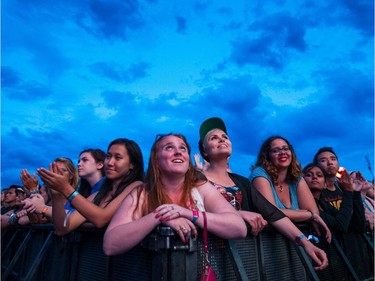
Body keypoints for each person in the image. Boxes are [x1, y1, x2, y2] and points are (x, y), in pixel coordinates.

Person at [198, 117, 328, 270]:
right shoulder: (197, 180)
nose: (221, 140)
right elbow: (195, 211)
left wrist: (304, 241)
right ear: (204, 151)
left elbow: (272, 213)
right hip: (210, 256)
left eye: (225, 137)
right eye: (214, 138)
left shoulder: (242, 182)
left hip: (243, 256)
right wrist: (240, 214)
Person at [103, 133, 247, 256]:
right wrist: (160, 216)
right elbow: (110, 245)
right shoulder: (142, 194)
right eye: (169, 147)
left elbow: (239, 228)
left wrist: (189, 214)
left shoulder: (201, 188)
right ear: (156, 160)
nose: (178, 152)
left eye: (182, 148)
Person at [37, 138, 144, 235]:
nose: (110, 162)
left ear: (132, 164)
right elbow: (63, 228)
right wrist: (57, 197)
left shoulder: (136, 186)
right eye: (108, 156)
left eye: (118, 157)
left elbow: (101, 219)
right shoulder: (98, 194)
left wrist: (65, 188)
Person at [249, 136, 331, 242]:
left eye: (285, 148)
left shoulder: (297, 178)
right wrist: (309, 215)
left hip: (295, 244)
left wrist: (310, 214)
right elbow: (271, 212)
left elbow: (314, 211)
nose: (282, 152)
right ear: (267, 156)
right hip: (266, 244)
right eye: (275, 150)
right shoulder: (260, 174)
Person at [313, 147, 372, 280]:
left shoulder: (342, 189)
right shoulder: (317, 194)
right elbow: (341, 225)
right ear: (316, 166)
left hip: (357, 254)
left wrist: (356, 192)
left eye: (333, 159)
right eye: (323, 160)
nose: (329, 162)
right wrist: (349, 192)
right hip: (336, 257)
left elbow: (359, 225)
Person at [21, 158, 79, 222]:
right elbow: (37, 220)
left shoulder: (79, 195)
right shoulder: (50, 197)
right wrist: (33, 190)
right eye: (55, 170)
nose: (58, 173)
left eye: (63, 170)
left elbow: (75, 217)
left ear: (71, 175)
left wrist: (44, 209)